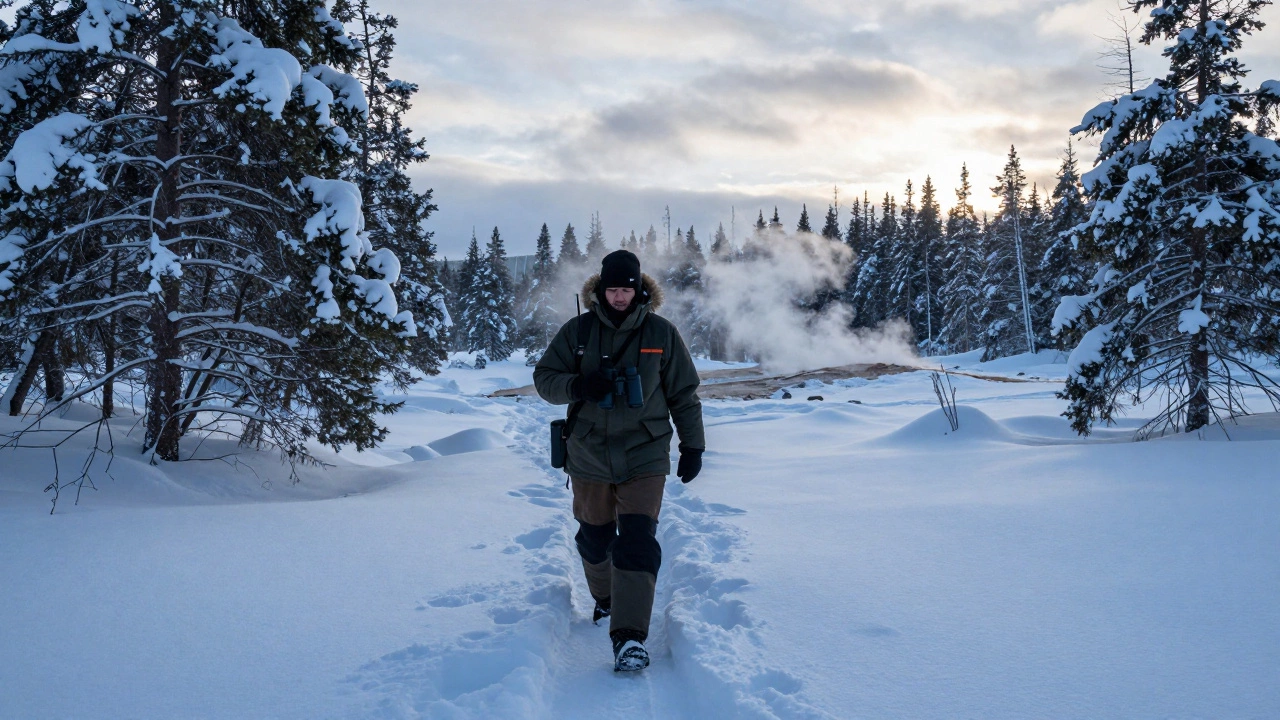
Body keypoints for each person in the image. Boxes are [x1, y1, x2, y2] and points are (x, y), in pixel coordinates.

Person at [533, 249, 705, 672]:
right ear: (601, 289)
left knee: (636, 541)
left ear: (639, 288)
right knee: (594, 541)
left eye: (626, 289)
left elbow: (684, 394)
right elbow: (544, 380)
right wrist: (579, 385)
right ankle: (606, 599)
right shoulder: (578, 332)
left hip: (644, 453)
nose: (619, 296)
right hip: (589, 453)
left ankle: (629, 638)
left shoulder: (661, 333)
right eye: (612, 288)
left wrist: (692, 445)